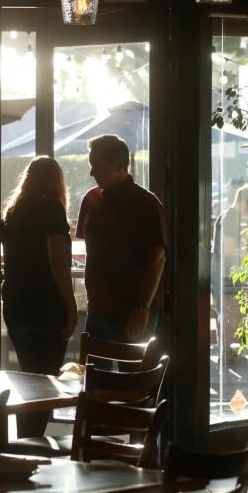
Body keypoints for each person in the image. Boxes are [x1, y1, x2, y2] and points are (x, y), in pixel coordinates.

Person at [2, 156, 78, 437]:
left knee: (30, 377)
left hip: (16, 305)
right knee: (46, 382)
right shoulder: (52, 210)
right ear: (55, 181)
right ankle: (31, 441)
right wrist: (71, 307)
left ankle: (25, 440)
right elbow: (57, 262)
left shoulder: (14, 211)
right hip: (46, 306)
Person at [76, 134, 166, 343]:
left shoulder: (146, 205)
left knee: (132, 375)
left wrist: (142, 308)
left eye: (97, 166)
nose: (92, 172)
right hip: (98, 308)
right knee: (94, 373)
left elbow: (157, 258)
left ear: (118, 165)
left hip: (132, 310)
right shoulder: (90, 200)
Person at [211, 184, 248, 365]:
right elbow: (230, 249)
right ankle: (227, 353)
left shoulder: (226, 215)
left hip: (220, 272)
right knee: (230, 313)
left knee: (224, 313)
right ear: (244, 202)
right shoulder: (232, 218)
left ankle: (225, 352)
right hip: (226, 274)